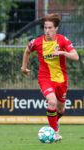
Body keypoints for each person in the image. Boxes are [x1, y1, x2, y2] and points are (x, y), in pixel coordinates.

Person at [21, 13, 79, 141]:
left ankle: (54, 121)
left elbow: (76, 56)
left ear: (56, 28)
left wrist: (63, 52)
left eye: (50, 28)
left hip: (61, 80)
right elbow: (27, 51)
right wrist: (24, 67)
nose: (47, 31)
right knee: (52, 101)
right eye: (45, 28)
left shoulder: (63, 40)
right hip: (45, 78)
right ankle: (55, 133)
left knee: (61, 109)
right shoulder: (36, 42)